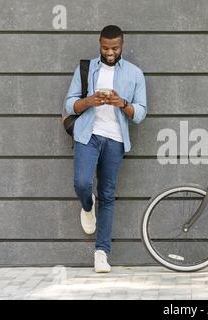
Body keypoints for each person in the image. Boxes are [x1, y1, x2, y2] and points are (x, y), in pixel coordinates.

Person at [64, 25, 147, 273]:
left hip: (115, 139)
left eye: (115, 48)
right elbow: (70, 104)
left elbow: (141, 112)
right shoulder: (87, 69)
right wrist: (90, 101)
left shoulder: (134, 73)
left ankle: (101, 253)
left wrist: (122, 103)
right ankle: (87, 207)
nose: (110, 52)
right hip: (88, 135)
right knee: (81, 183)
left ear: (122, 46)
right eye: (105, 47)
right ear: (99, 45)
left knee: (108, 195)